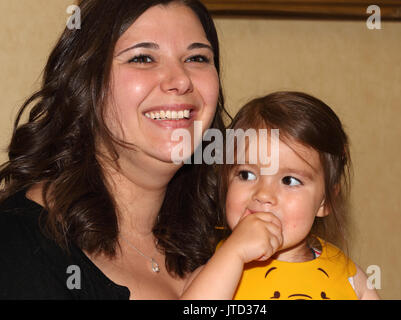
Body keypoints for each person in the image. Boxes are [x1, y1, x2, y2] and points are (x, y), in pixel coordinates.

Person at [0, 0, 229, 299]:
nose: (181, 80)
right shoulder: (14, 249)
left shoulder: (231, 237)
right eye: (143, 58)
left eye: (197, 58)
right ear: (86, 83)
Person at [180, 91, 401, 300]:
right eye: (246, 175)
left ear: (326, 201)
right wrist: (235, 253)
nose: (263, 195)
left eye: (289, 180)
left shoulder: (349, 276)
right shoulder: (218, 271)